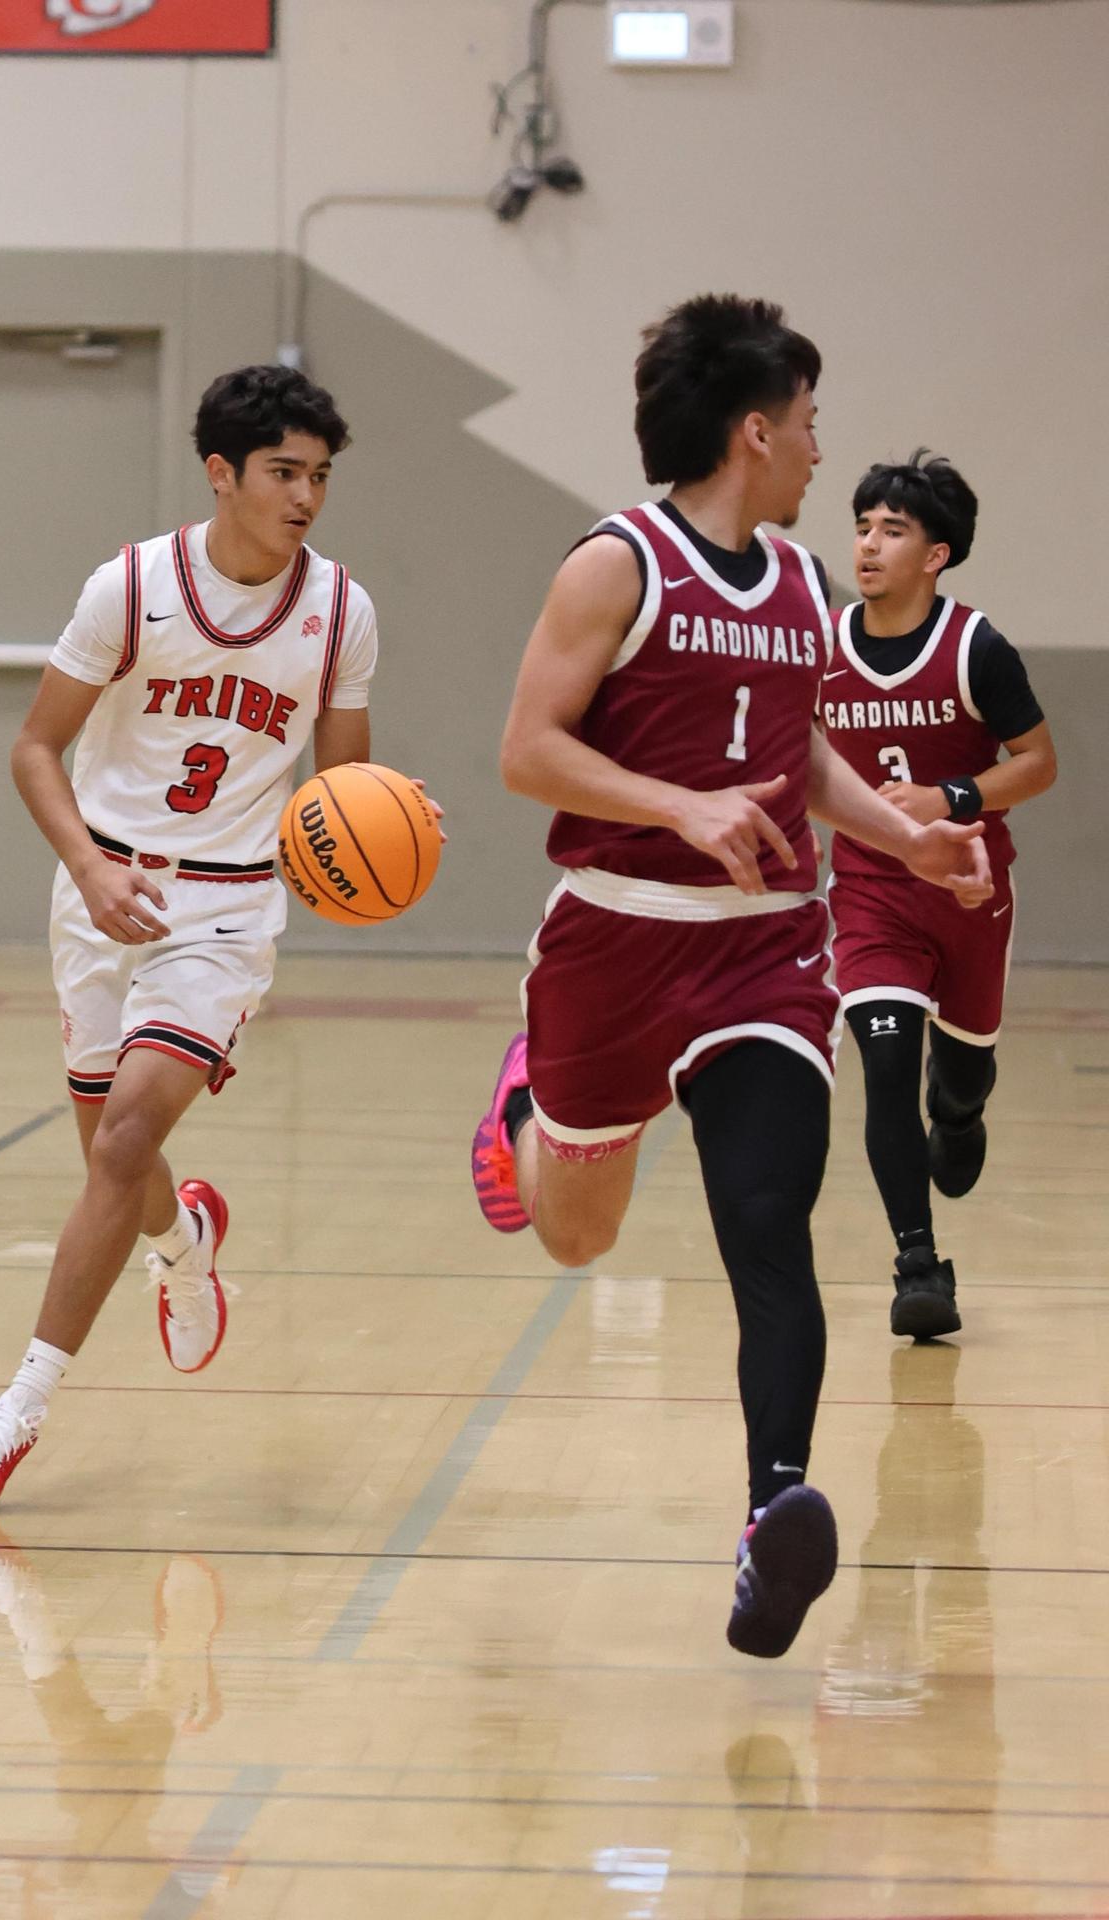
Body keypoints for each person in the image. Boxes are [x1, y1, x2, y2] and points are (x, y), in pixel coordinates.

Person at [472, 295, 991, 1658]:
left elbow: (798, 753)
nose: (822, 448)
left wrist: (909, 843)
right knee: (577, 1238)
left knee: (770, 1221)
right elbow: (528, 750)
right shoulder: (617, 565)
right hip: (615, 939)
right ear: (755, 431)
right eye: (810, 422)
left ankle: (773, 1515)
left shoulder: (804, 583)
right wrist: (675, 805)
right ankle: (524, 1110)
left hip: (765, 949)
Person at [0, 365, 382, 1512]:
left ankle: (16, 1411)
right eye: (284, 472)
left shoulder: (340, 611)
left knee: (127, 1135)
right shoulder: (132, 588)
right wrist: (90, 868)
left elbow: (340, 790)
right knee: (112, 1154)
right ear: (221, 473)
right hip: (103, 893)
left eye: (320, 476)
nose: (306, 497)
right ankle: (183, 1245)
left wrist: (379, 831)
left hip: (226, 910)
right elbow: (35, 748)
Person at [824, 453, 1056, 1338]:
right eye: (862, 527)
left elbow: (1039, 763)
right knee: (884, 1069)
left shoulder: (977, 649)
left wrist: (951, 797)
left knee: (958, 1083)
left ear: (936, 555)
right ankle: (917, 1265)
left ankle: (959, 1113)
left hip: (966, 891)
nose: (868, 544)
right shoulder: (823, 649)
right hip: (871, 893)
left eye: (892, 530)